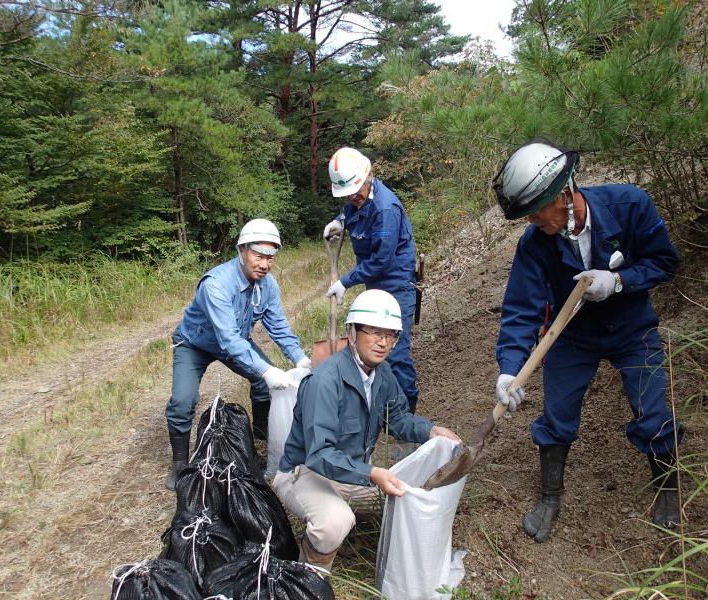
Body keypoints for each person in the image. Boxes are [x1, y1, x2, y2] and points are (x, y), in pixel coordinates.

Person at [492, 138, 682, 543]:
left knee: (652, 413)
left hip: (632, 330)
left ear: (565, 192)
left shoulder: (630, 206)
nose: (532, 222)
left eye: (535, 212)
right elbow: (521, 309)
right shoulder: (535, 244)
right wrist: (509, 369)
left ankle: (667, 486)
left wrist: (619, 281)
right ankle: (550, 496)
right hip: (572, 336)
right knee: (557, 417)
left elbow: (665, 262)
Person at [272, 289, 461, 571]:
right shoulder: (325, 381)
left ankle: (344, 538)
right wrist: (371, 473)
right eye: (374, 332)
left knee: (401, 500)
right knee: (335, 522)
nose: (383, 342)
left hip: (351, 471)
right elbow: (319, 454)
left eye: (390, 335)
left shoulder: (382, 374)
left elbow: (398, 420)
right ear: (352, 332)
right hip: (305, 472)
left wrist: (431, 431)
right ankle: (307, 576)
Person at [164, 218, 311, 490]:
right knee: (183, 401)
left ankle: (261, 432)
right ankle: (179, 464)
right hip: (195, 344)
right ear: (242, 250)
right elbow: (227, 338)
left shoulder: (268, 285)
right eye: (258, 255)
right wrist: (266, 370)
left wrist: (300, 358)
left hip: (235, 342)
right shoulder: (216, 285)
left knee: (263, 382)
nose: (265, 264)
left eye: (271, 257)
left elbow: (277, 326)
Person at [322, 147, 421, 413]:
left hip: (397, 288)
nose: (352, 197)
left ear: (369, 175)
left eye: (355, 191)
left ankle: (406, 412)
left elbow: (381, 261)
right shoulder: (358, 200)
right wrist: (339, 221)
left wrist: (345, 281)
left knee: (394, 353)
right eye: (347, 194)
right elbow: (351, 211)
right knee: (370, 350)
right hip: (376, 287)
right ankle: (380, 407)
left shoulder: (385, 208)